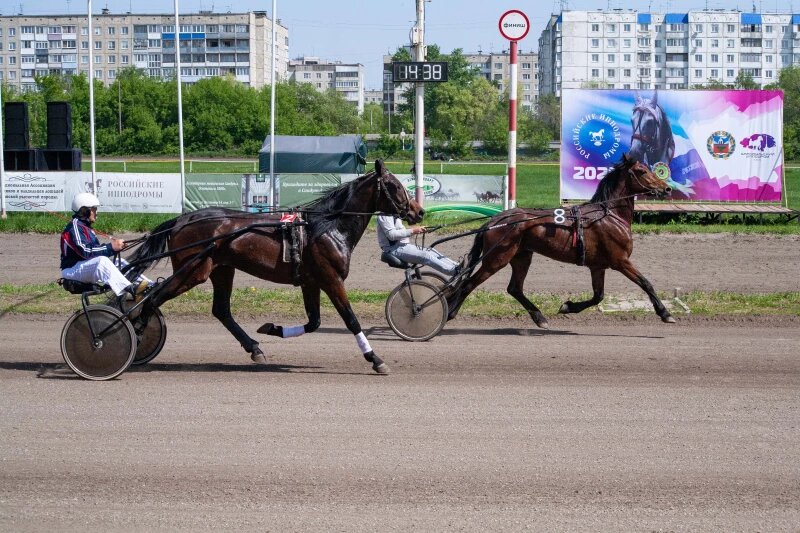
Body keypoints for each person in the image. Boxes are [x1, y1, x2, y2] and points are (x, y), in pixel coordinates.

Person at [60, 192, 149, 300]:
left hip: (82, 266)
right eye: (94, 209)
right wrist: (111, 247)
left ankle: (149, 286)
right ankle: (131, 290)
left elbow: (94, 251)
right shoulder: (74, 227)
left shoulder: (85, 227)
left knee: (118, 262)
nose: (96, 213)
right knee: (102, 261)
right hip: (71, 269)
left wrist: (115, 248)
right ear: (85, 210)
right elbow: (86, 251)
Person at [376, 214, 463, 277]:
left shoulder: (393, 214)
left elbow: (399, 231)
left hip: (403, 246)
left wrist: (419, 229)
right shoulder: (384, 215)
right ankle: (452, 271)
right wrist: (413, 231)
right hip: (393, 249)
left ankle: (456, 266)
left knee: (430, 250)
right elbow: (392, 235)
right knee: (425, 256)